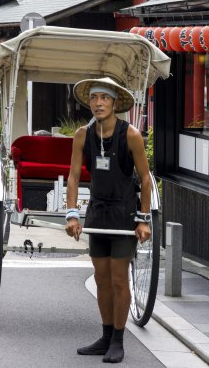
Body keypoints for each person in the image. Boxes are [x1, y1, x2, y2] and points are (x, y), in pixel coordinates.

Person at [65, 77, 151, 364]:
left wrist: (143, 219)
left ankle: (118, 339)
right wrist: (72, 213)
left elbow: (146, 179)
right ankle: (104, 336)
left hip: (124, 214)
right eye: (94, 98)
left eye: (104, 98)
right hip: (97, 212)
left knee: (117, 279)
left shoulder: (131, 135)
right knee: (101, 278)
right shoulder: (82, 134)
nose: (98, 103)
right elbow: (74, 176)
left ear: (115, 103)